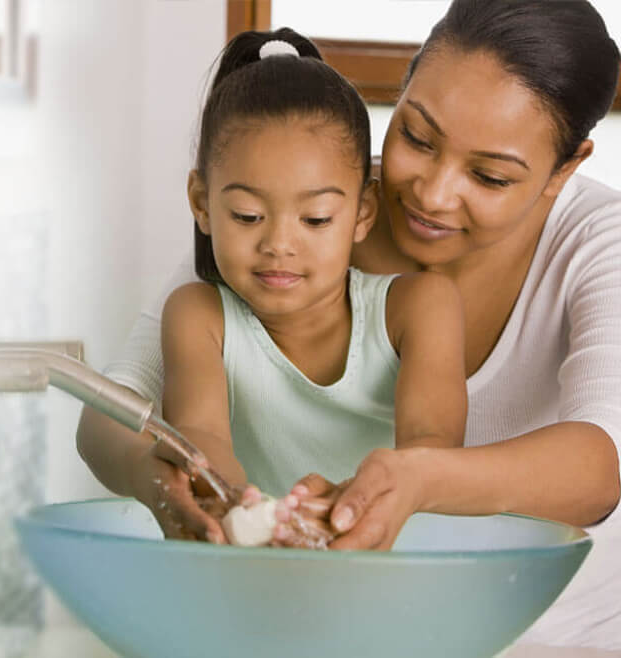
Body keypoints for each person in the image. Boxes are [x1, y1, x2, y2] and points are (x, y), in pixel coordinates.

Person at [77, 0, 621, 649]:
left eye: (489, 175)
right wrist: (169, 480)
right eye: (417, 137)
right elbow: (112, 409)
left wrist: (419, 478)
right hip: (313, 627)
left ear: (566, 166)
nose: (433, 193)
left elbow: (599, 464)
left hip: (556, 635)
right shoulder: (304, 210)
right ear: (405, 85)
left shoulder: (598, 243)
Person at [159, 29, 466, 545]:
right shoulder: (198, 316)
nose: (279, 243)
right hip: (251, 574)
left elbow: (430, 449)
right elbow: (201, 436)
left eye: (317, 219)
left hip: (386, 571)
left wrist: (348, 509)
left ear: (363, 212)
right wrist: (254, 516)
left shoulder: (419, 309)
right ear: (201, 203)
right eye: (248, 215)